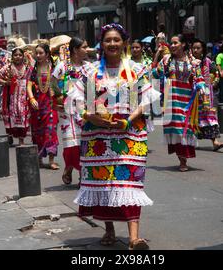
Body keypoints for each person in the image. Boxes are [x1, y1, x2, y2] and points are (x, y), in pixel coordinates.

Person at [74, 23, 159, 250]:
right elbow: (76, 101)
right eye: (108, 40)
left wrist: (128, 120)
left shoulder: (137, 69)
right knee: (103, 182)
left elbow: (146, 99)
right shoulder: (89, 71)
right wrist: (91, 117)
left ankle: (134, 238)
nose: (112, 44)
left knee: (129, 182)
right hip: (97, 137)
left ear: (124, 43)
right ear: (101, 44)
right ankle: (109, 230)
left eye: (116, 40)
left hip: (130, 134)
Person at [152, 34, 205, 172]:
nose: (173, 45)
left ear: (183, 45)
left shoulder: (193, 62)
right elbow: (155, 74)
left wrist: (201, 87)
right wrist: (156, 58)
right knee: (177, 129)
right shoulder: (166, 60)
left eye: (175, 43)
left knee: (186, 128)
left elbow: (199, 79)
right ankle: (182, 159)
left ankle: (184, 158)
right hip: (171, 101)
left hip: (188, 100)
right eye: (172, 43)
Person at [52, 37, 93, 183]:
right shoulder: (62, 66)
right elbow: (53, 83)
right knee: (71, 144)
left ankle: (83, 174)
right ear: (75, 50)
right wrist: (58, 98)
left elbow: (95, 87)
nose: (87, 50)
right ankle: (69, 166)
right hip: (66, 110)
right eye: (84, 47)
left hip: (85, 111)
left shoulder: (89, 67)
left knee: (84, 142)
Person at [27, 43, 59, 169]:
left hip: (50, 105)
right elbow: (29, 85)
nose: (38, 55)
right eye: (37, 53)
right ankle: (39, 159)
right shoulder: (33, 70)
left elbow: (61, 83)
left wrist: (56, 91)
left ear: (47, 54)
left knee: (51, 131)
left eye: (41, 53)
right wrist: (31, 98)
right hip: (37, 106)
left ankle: (51, 160)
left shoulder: (54, 68)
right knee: (37, 132)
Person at [191, 39, 223, 151]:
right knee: (193, 118)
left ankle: (215, 142)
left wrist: (214, 82)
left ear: (203, 50)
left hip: (207, 96)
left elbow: (216, 74)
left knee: (209, 116)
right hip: (193, 95)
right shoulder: (188, 62)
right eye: (194, 48)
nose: (195, 50)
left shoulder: (208, 62)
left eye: (198, 48)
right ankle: (190, 142)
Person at [0, 48, 30, 146]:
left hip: (24, 97)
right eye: (15, 55)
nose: (18, 57)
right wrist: (6, 82)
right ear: (12, 57)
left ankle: (21, 140)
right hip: (11, 98)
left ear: (23, 56)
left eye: (20, 55)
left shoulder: (28, 68)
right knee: (10, 117)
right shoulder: (8, 67)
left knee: (23, 117)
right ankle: (10, 136)